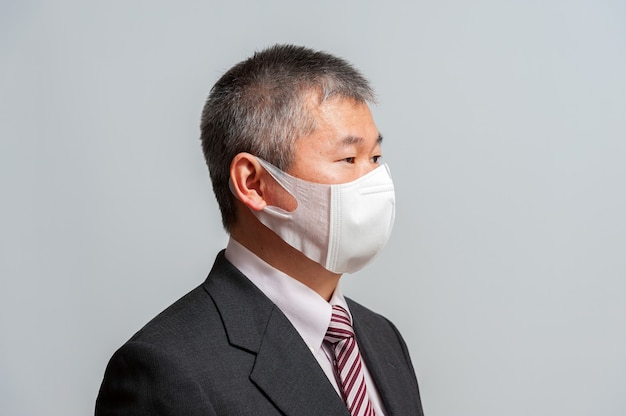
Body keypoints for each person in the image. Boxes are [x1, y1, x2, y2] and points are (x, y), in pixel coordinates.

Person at [96, 44, 424, 416]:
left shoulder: (382, 338)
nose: (375, 181)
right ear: (253, 183)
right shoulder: (167, 370)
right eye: (348, 159)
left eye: (376, 158)